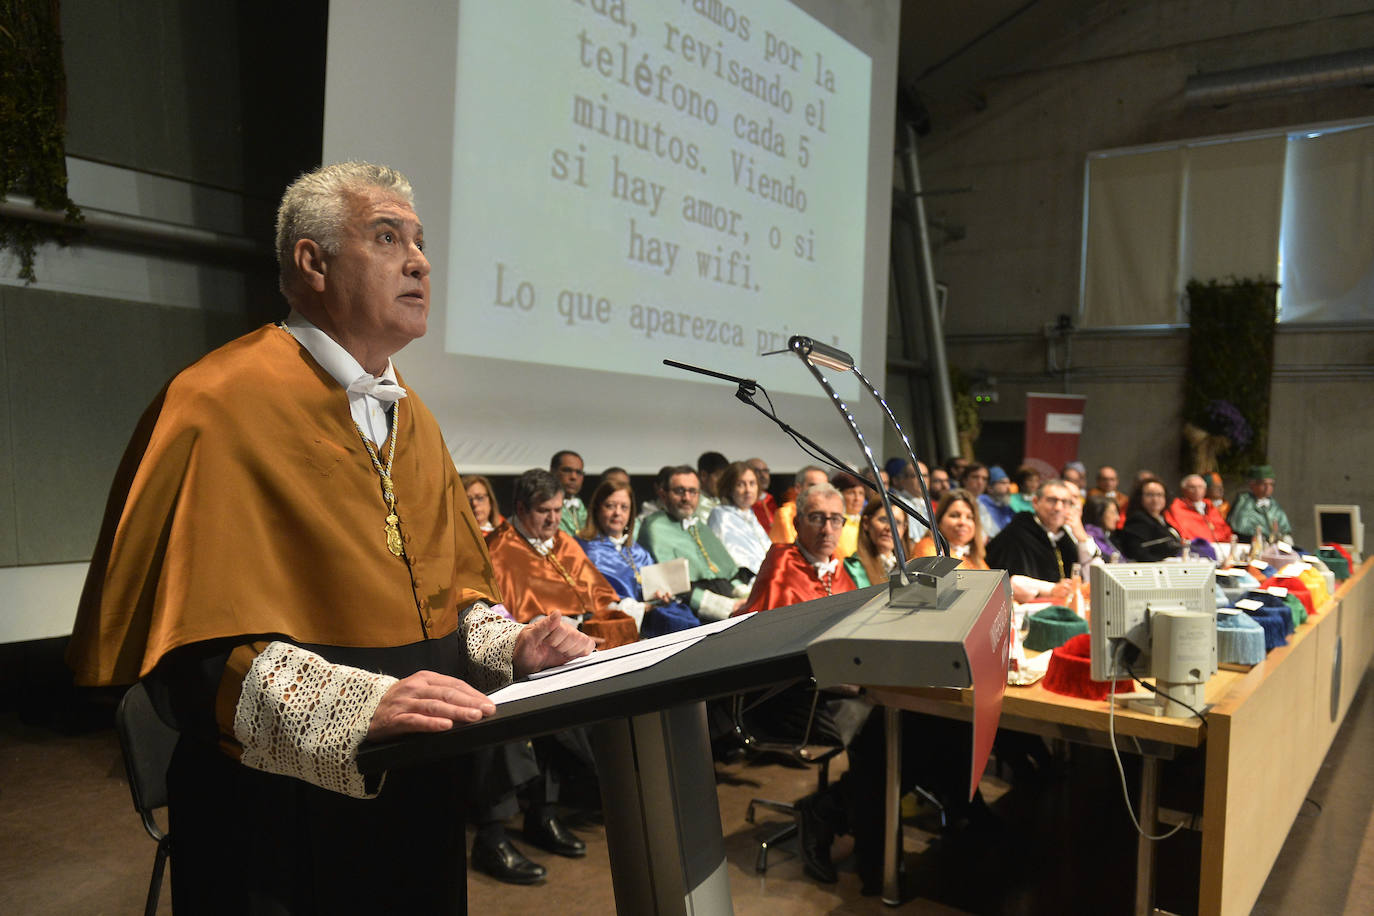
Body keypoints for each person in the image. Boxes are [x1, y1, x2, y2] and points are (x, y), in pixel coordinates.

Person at [64, 162, 594, 914]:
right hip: (276, 817)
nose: (420, 261)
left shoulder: (416, 416)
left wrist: (511, 648)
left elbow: (455, 597)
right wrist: (359, 708)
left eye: (420, 244)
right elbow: (192, 653)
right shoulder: (216, 402)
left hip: (419, 789)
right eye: (387, 237)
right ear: (311, 262)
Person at [478, 468, 639, 883]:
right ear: (518, 509)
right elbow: (498, 617)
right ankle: (497, 832)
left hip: (575, 648)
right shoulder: (496, 549)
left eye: (557, 510)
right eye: (542, 512)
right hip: (518, 658)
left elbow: (597, 591)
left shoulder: (561, 541)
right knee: (544, 712)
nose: (553, 520)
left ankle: (546, 813)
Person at [578, 478, 698, 637]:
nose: (617, 513)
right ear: (597, 509)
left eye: (624, 507)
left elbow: (653, 589)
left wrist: (661, 596)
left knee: (686, 617)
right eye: (610, 506)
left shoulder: (638, 550)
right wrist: (641, 609)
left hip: (649, 618)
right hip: (614, 625)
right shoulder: (584, 549)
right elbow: (592, 601)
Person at [638, 466, 750, 621]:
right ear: (664, 495)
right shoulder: (654, 527)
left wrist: (746, 594)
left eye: (692, 492)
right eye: (679, 491)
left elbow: (728, 573)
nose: (687, 498)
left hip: (726, 596)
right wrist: (728, 606)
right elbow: (675, 587)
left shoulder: (700, 525)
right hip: (693, 606)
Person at [740, 482, 861, 614]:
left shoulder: (837, 568)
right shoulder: (781, 566)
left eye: (835, 519)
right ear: (797, 524)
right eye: (817, 518)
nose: (827, 530)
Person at [987, 479, 1100, 601]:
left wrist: (1082, 537)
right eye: (1052, 500)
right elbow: (1010, 582)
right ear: (1035, 502)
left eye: (1065, 502)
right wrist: (1052, 589)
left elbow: (1094, 579)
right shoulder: (1017, 532)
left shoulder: (1065, 536)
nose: (1058, 507)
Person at [707, 461, 773, 576]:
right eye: (741, 484)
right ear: (729, 488)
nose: (748, 490)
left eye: (752, 483)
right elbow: (724, 559)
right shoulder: (721, 515)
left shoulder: (751, 514)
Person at [844, 499, 917, 586]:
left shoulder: (911, 569)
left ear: (904, 529)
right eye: (883, 520)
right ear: (866, 523)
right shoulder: (853, 568)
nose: (889, 528)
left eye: (897, 523)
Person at [914, 488, 990, 570]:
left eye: (969, 517)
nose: (963, 522)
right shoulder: (927, 547)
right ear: (940, 520)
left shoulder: (977, 560)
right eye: (955, 515)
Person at [1115, 476, 1184, 562]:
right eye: (1150, 495)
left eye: (1159, 495)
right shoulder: (1137, 520)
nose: (1155, 499)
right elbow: (1138, 554)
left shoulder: (1162, 519)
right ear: (1140, 497)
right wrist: (1165, 562)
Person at [1227, 464, 1293, 543]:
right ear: (1253, 485)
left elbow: (1284, 529)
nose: (1268, 488)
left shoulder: (1275, 506)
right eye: (1264, 484)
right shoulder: (1244, 501)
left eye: (1271, 484)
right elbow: (1239, 526)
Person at [769, 465, 831, 544]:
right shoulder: (785, 514)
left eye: (823, 487)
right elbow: (788, 551)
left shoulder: (830, 515)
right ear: (798, 488)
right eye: (813, 486)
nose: (819, 491)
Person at [1166, 474, 1234, 543]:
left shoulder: (1210, 507)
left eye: (1200, 487)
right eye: (1192, 487)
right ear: (1184, 490)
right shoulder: (1176, 507)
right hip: (1195, 546)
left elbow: (1224, 528)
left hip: (1221, 544)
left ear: (1205, 490)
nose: (1197, 490)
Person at [831, 471, 867, 559]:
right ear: (839, 495)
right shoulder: (833, 525)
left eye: (861, 493)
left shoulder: (867, 523)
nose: (857, 498)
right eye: (851, 493)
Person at [551, 449, 587, 535]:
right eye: (567, 470)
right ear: (552, 472)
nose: (573, 477)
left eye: (578, 472)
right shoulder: (542, 508)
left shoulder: (585, 509)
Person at [1083, 494, 1124, 562]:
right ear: (1099, 513)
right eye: (1113, 512)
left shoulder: (1107, 536)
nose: (1118, 518)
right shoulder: (1091, 538)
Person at [979, 465, 1016, 537]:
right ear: (990, 488)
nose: (1008, 487)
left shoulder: (1007, 506)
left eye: (1009, 483)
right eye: (1003, 483)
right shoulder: (980, 504)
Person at [1088, 465, 1129, 530]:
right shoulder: (1092, 496)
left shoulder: (1124, 499)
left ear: (1117, 481)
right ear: (1098, 481)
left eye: (1112, 479)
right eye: (1105, 479)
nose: (1109, 483)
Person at [746, 457, 777, 530]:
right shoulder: (744, 502)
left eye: (765, 471)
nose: (763, 475)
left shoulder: (771, 500)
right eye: (757, 471)